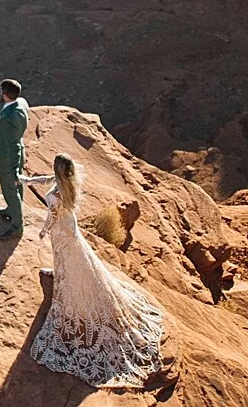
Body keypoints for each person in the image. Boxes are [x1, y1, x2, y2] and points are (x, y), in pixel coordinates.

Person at [21, 152, 166, 388]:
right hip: (71, 228)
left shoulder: (57, 195)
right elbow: (47, 179)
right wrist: (27, 181)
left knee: (66, 257)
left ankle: (68, 283)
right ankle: (61, 275)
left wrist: (42, 231)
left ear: (59, 170)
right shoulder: (66, 183)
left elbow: (51, 217)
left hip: (61, 230)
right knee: (70, 258)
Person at [0, 78, 30, 237]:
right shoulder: (22, 102)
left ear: (5, 94)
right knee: (16, 188)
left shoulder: (9, 117)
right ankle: (12, 210)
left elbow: (14, 145)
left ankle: (17, 227)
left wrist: (13, 169)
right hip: (15, 153)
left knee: (10, 190)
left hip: (8, 158)